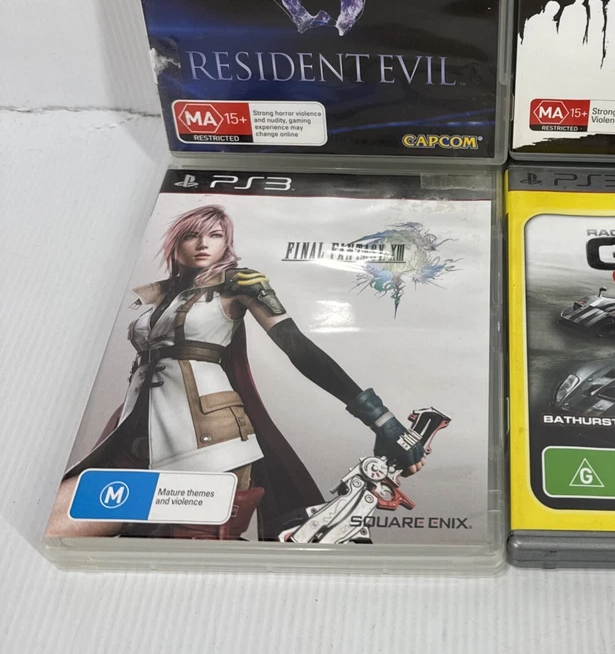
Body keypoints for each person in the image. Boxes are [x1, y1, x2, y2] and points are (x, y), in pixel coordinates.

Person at [47, 204, 424, 541]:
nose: (203, 243)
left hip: (210, 443)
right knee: (54, 525)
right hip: (135, 440)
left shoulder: (238, 285)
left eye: (214, 235)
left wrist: (381, 419)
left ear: (226, 243)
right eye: (192, 235)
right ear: (175, 244)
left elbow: (298, 348)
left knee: (183, 554)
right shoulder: (157, 297)